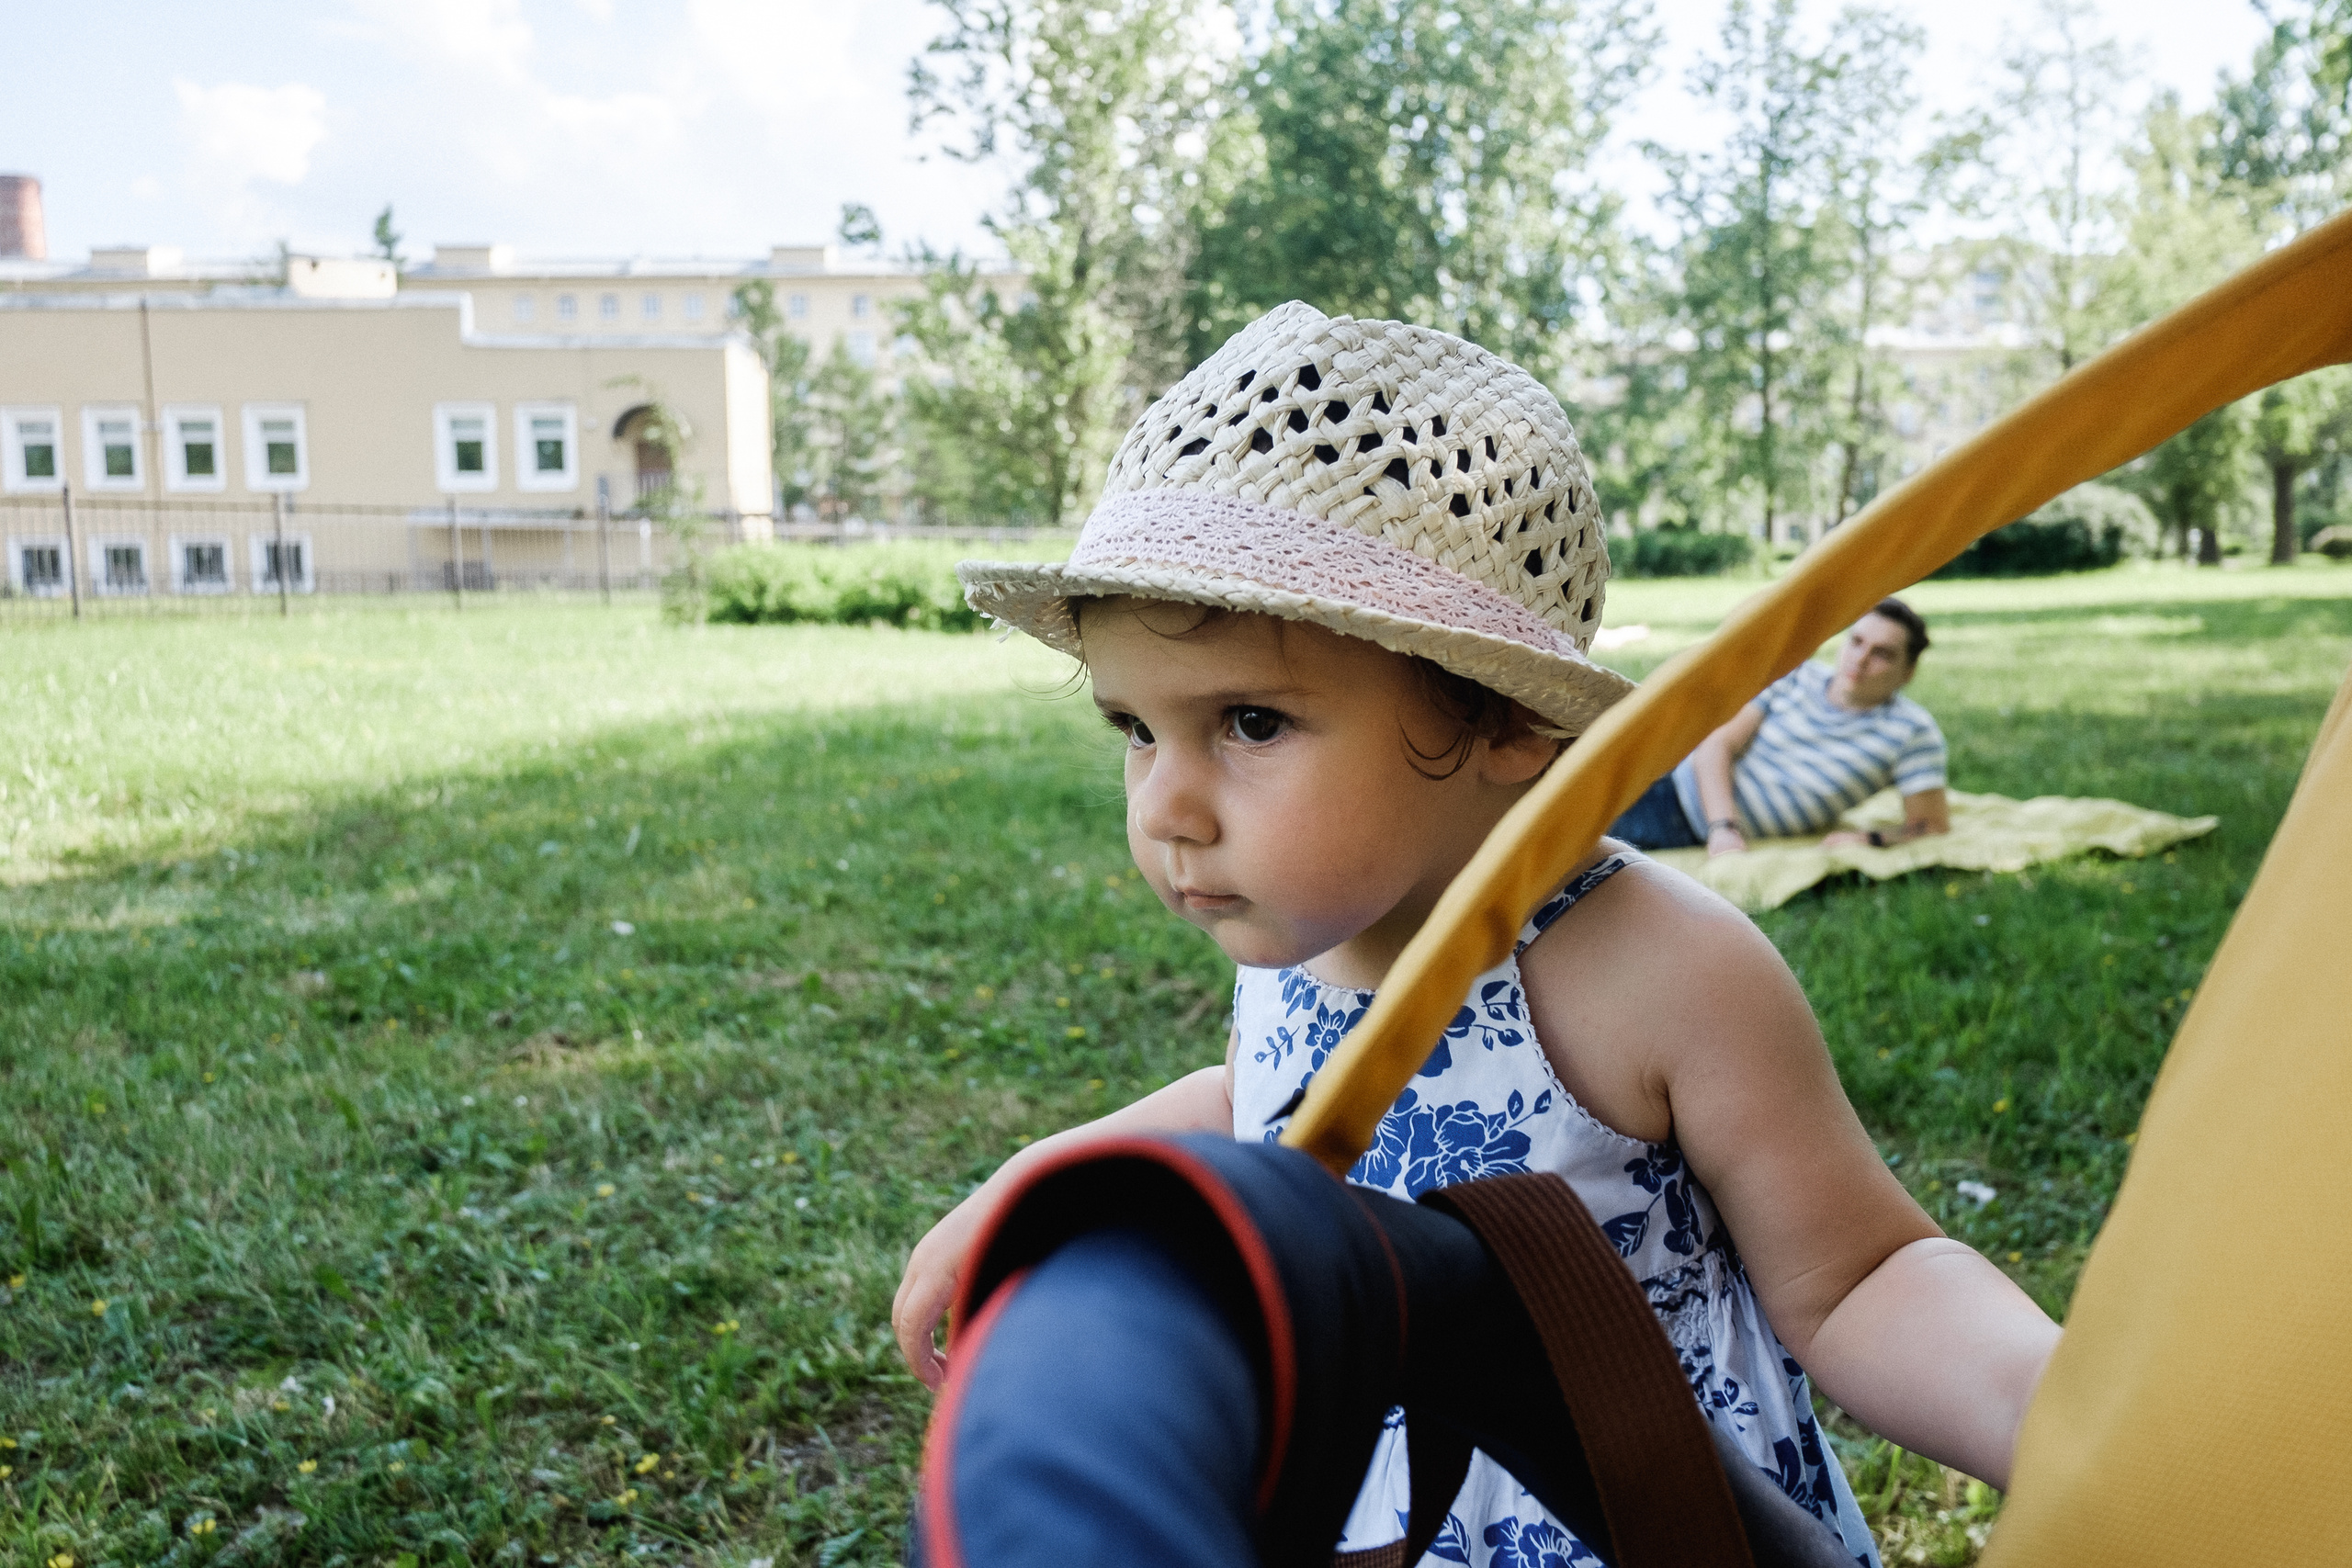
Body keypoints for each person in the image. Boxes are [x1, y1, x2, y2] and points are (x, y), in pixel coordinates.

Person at [895, 302, 2056, 1564]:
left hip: (1641, 1506)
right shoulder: (1310, 941)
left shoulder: (1658, 969)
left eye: (1250, 722)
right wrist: (1050, 1174)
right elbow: (1270, 1097)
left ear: (1509, 724)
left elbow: (1858, 1277)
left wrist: (2053, 1408)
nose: (1166, 805)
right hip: (1398, 1515)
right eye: (1136, 728)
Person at [1610, 599, 1951, 857]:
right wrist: (1723, 829)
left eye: (1883, 654)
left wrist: (1867, 839)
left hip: (1681, 821)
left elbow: (1930, 826)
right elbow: (1717, 745)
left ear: (1908, 673)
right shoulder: (1798, 674)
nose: (1860, 659)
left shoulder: (1912, 732)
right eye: (1856, 641)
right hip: (1677, 783)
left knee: (1571, 840)